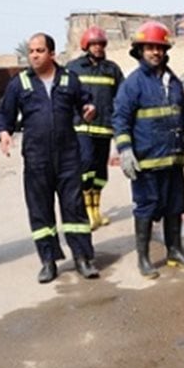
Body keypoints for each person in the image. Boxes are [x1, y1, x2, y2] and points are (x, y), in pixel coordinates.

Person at [0, 32, 100, 283]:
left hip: (68, 156)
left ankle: (82, 258)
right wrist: (3, 133)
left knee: (74, 208)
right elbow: (4, 115)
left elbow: (86, 103)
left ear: (52, 53)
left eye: (39, 51)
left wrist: (89, 110)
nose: (34, 55)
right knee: (40, 210)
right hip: (37, 158)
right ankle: (48, 261)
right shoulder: (20, 83)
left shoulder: (69, 79)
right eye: (31, 51)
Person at [112, 21, 184, 279]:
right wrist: (125, 150)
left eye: (159, 47)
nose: (155, 52)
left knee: (176, 206)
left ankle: (175, 251)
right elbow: (121, 120)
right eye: (150, 47)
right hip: (147, 163)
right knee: (146, 208)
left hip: (173, 160)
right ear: (140, 50)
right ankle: (144, 258)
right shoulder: (133, 84)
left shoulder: (173, 82)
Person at [67, 25, 124, 231]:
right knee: (86, 163)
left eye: (101, 44)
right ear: (86, 46)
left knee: (100, 171)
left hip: (104, 128)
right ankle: (87, 211)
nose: (98, 47)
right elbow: (66, 96)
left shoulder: (112, 69)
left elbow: (122, 97)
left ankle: (96, 210)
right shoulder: (74, 68)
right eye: (94, 44)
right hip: (81, 127)